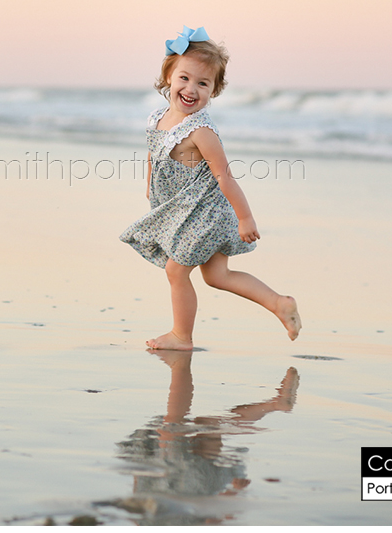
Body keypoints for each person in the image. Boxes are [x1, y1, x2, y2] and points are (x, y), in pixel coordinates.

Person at [119, 27, 301, 350]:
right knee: (218, 276)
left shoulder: (200, 131)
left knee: (176, 271)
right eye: (184, 78)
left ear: (214, 90)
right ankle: (279, 303)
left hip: (205, 214)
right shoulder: (157, 118)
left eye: (203, 83)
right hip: (185, 210)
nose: (191, 89)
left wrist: (245, 218)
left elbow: (225, 177)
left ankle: (181, 336)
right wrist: (149, 185)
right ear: (168, 76)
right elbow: (153, 152)